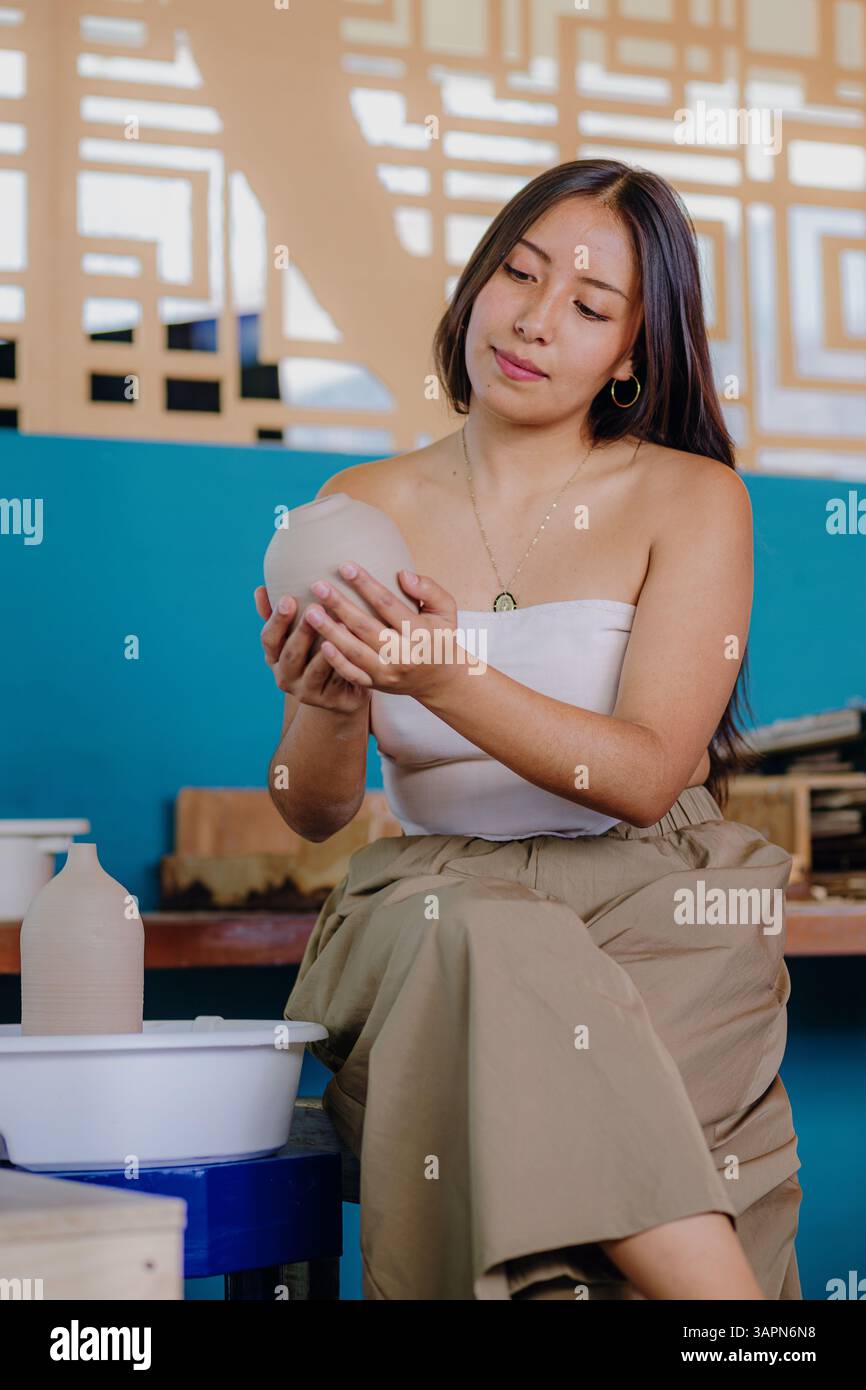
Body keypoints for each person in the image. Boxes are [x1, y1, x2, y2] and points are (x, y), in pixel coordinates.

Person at [254, 159, 802, 1301]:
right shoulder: (358, 504)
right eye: (519, 272)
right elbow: (311, 810)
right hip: (435, 902)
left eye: (591, 307)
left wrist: (447, 681)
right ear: (476, 280)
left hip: (652, 895)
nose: (536, 319)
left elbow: (648, 774)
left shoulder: (691, 497)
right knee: (486, 940)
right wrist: (327, 701)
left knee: (586, 1174)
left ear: (633, 354)